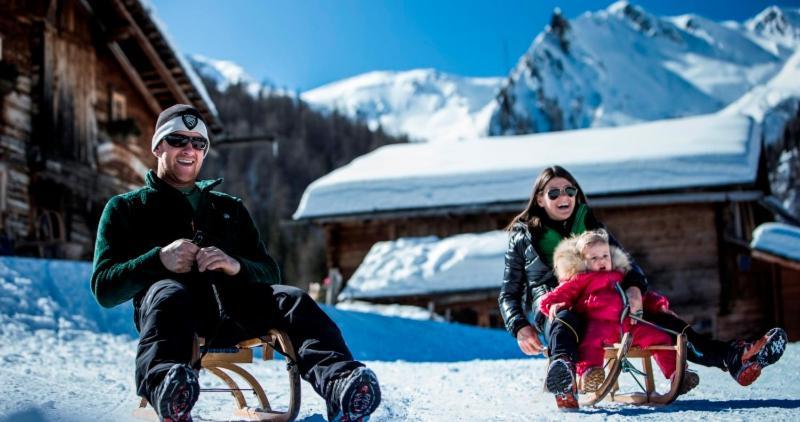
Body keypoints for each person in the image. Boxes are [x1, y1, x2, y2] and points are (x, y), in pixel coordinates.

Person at [90, 104, 381, 422]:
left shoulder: (229, 208)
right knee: (166, 291)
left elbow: (270, 270)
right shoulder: (126, 209)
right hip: (172, 321)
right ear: (158, 145)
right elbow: (105, 287)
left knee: (292, 299)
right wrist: (158, 260)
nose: (189, 149)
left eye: (198, 143)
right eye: (178, 140)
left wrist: (236, 265)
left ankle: (341, 383)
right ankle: (167, 389)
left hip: (235, 314)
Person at [498, 165, 787, 410]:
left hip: (604, 299)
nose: (564, 197)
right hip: (555, 305)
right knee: (566, 318)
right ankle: (564, 374)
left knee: (663, 321)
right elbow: (508, 293)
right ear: (539, 198)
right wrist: (520, 326)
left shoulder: (592, 229)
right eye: (554, 192)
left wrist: (635, 288)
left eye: (570, 191)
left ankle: (733, 357)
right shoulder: (524, 236)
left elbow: (629, 266)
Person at [541, 229, 682, 393]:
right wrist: (555, 304)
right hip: (598, 325)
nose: (601, 261)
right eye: (594, 258)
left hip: (628, 325)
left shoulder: (620, 277)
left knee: (661, 337)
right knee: (590, 343)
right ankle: (590, 373)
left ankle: (676, 374)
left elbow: (643, 297)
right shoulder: (580, 279)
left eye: (605, 256)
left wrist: (660, 306)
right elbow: (557, 294)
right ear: (582, 262)